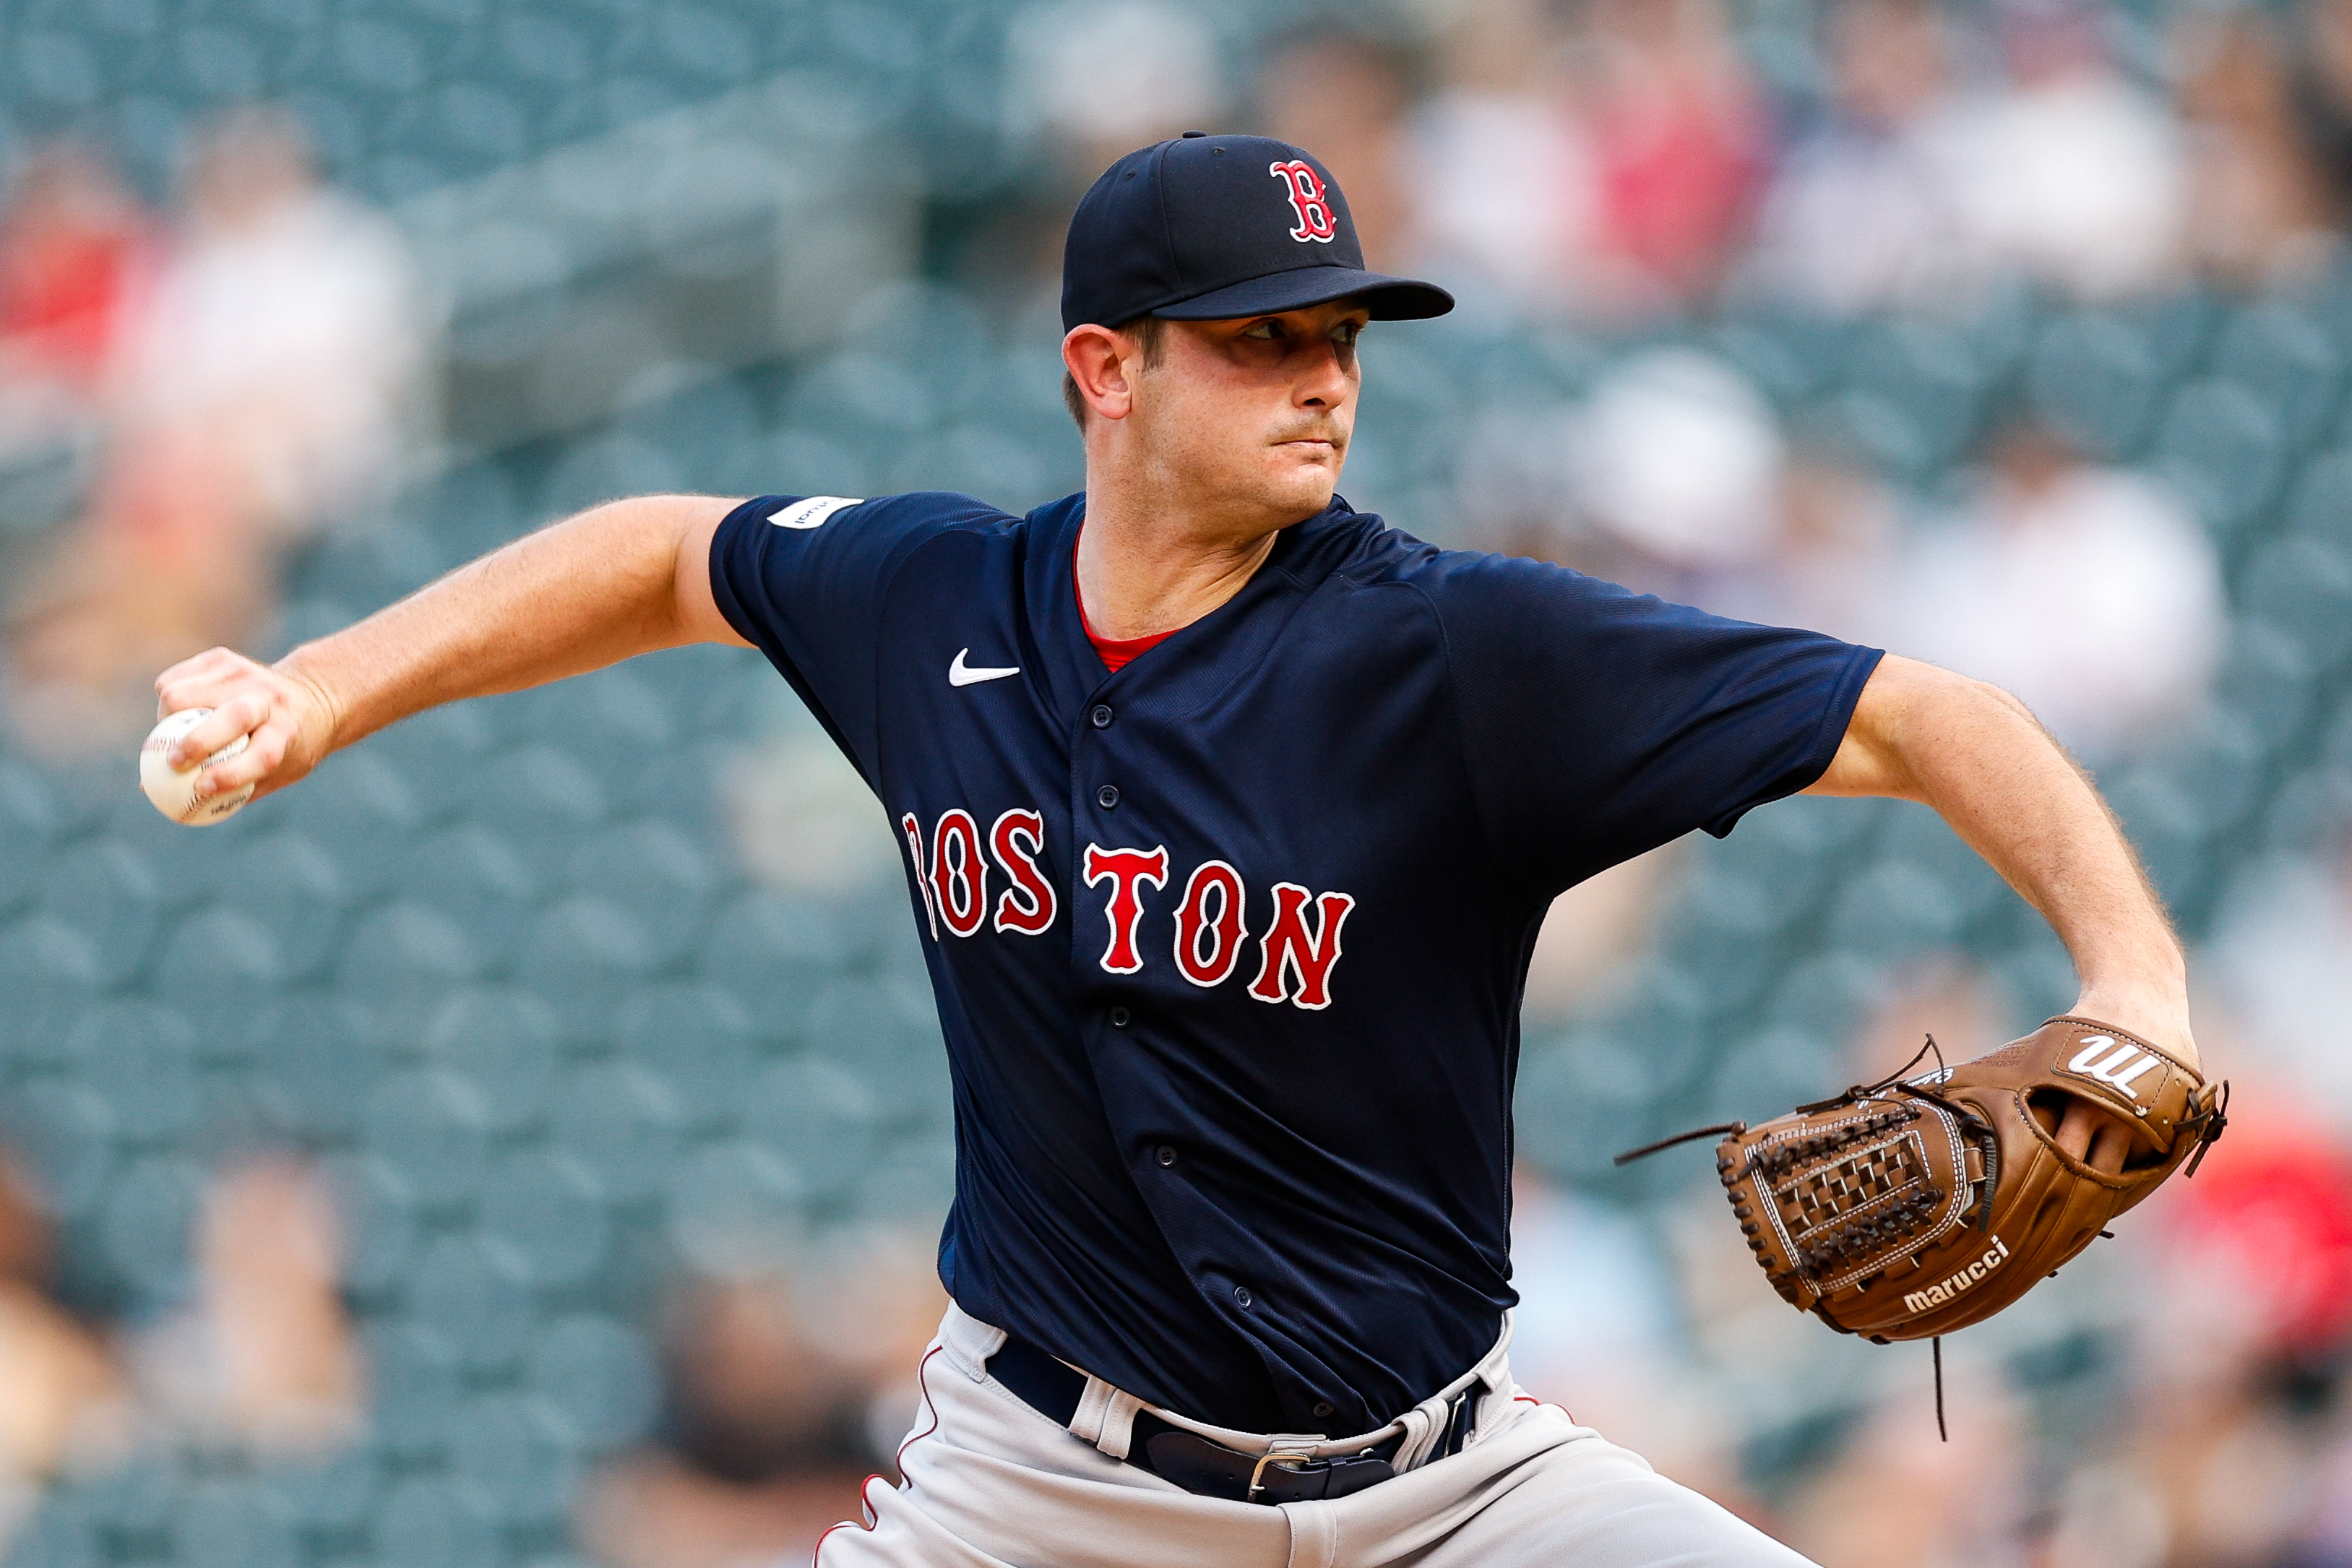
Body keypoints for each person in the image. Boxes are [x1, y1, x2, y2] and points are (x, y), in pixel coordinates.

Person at [151, 133, 2197, 1566]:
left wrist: (2132, 980)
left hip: (1454, 1494)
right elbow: (669, 551)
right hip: (1043, 1496)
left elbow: (1927, 710)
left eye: (1342, 336)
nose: (1323, 377)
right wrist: (329, 682)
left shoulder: (1461, 651)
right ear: (1102, 373)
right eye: (1259, 338)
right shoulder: (927, 598)